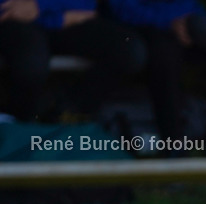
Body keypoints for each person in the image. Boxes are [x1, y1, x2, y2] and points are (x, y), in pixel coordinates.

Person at [107, 0, 206, 149]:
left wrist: (193, 23)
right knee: (164, 55)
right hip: (146, 28)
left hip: (187, 26)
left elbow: (193, 7)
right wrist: (170, 22)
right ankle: (174, 144)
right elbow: (121, 9)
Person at [0, 0, 145, 122]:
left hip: (66, 17)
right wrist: (55, 18)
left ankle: (65, 111)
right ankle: (20, 129)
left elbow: (86, 6)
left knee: (128, 50)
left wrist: (42, 6)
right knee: (30, 61)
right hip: (18, 22)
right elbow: (9, 11)